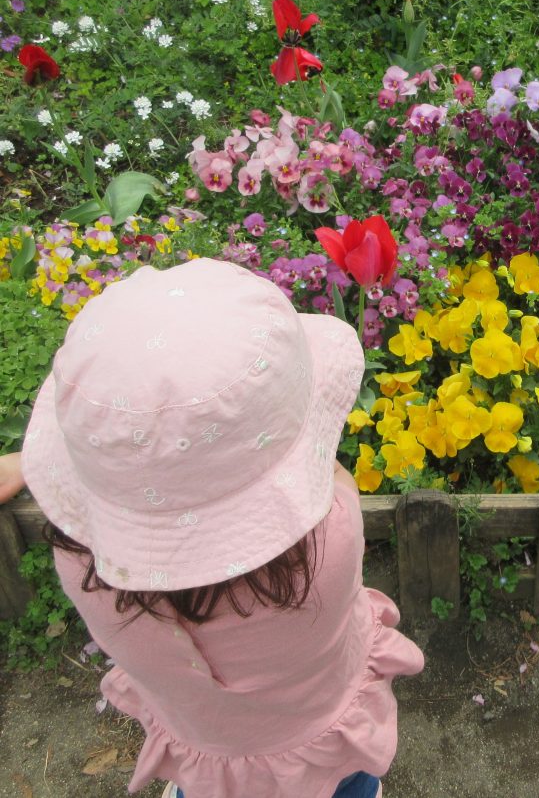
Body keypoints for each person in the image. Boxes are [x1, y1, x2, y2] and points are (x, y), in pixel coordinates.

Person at [20, 258, 423, 798]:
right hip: (319, 727)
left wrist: (54, 469)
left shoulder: (84, 567)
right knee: (342, 780)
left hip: (206, 743)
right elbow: (326, 481)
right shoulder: (332, 540)